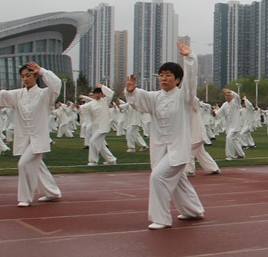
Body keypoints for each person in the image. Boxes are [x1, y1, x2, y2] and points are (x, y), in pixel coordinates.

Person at [125, 42, 205, 229]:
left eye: (168, 75)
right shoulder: (155, 97)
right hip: (160, 148)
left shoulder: (184, 96)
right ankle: (193, 210)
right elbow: (138, 101)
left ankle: (161, 218)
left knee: (158, 178)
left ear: (177, 80)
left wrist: (190, 58)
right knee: (179, 182)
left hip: (178, 148)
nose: (163, 78)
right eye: (161, 75)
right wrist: (131, 91)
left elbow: (191, 81)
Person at [0, 62, 63, 207]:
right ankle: (52, 192)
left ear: (36, 76)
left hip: (39, 137)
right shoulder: (18, 94)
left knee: (24, 164)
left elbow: (56, 84)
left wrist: (42, 70)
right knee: (38, 167)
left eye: (28, 75)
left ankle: (25, 198)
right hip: (24, 137)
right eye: (23, 76)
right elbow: (2, 98)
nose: (25, 79)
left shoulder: (45, 94)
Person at [80, 85, 117, 166]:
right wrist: (78, 106)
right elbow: (83, 109)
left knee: (92, 141)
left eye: (98, 93)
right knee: (101, 145)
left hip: (103, 126)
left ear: (101, 94)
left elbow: (111, 93)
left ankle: (93, 161)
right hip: (95, 126)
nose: (97, 95)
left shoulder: (105, 101)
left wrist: (103, 86)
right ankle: (111, 160)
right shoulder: (91, 104)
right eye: (95, 94)